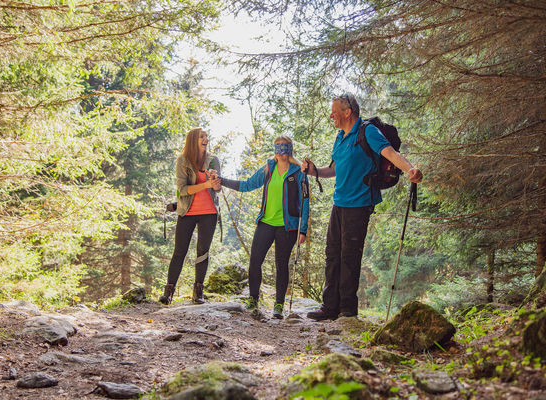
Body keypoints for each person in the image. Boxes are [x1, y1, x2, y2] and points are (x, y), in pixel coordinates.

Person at [302, 93, 423, 320]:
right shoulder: (340, 136)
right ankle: (329, 307)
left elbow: (389, 153)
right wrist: (313, 170)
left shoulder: (367, 131)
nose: (331, 115)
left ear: (347, 112)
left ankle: (347, 310)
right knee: (332, 254)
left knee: (349, 255)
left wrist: (410, 170)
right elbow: (334, 169)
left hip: (359, 204)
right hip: (339, 203)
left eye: (334, 111)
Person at [220, 135, 309, 319]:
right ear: (275, 150)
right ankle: (253, 298)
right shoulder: (268, 168)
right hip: (266, 223)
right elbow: (247, 185)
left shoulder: (299, 172)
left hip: (288, 226)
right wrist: (222, 181)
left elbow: (305, 201)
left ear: (290, 150)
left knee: (281, 264)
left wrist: (303, 229)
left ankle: (278, 304)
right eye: (278, 148)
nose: (281, 152)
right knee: (255, 261)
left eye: (285, 148)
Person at [159, 128, 221, 305]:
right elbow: (182, 189)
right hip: (187, 211)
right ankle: (169, 291)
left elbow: (218, 188)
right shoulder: (183, 160)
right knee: (179, 251)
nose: (205, 139)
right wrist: (205, 184)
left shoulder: (213, 160)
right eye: (201, 137)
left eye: (206, 136)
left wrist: (215, 182)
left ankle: (198, 291)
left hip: (209, 212)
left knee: (203, 252)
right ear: (193, 140)